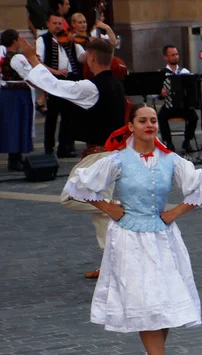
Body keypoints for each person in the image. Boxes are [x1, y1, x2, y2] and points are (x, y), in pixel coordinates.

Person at [62, 103, 202, 355]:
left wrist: (175, 213)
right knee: (146, 302)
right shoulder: (118, 159)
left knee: (165, 301)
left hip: (163, 238)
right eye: (143, 120)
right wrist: (110, 208)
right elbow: (80, 186)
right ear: (131, 127)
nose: (149, 125)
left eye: (154, 120)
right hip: (129, 238)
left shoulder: (170, 160)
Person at [19, 37, 125, 279]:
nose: (85, 60)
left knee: (71, 197)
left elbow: (56, 87)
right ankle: (112, 264)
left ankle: (119, 207)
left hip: (100, 155)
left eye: (86, 56)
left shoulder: (92, 87)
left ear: (93, 58)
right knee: (100, 214)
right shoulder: (116, 85)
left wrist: (33, 59)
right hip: (109, 154)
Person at [36, 11, 86, 157]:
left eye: (60, 23)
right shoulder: (42, 40)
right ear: (48, 24)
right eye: (55, 23)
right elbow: (38, 61)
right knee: (52, 116)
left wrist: (90, 44)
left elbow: (82, 58)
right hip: (54, 81)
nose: (58, 26)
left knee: (68, 115)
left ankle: (64, 147)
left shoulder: (70, 39)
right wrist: (55, 71)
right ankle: (48, 149)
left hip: (71, 80)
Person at [158, 45, 202, 153]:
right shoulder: (162, 73)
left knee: (194, 117)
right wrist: (160, 93)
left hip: (184, 106)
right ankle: (168, 142)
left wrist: (200, 90)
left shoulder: (184, 72)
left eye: (176, 54)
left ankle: (187, 141)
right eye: (172, 55)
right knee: (161, 117)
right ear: (166, 57)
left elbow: (194, 87)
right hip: (169, 106)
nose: (175, 57)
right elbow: (154, 94)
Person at [0, 30, 34, 172]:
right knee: (18, 124)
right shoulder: (17, 57)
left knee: (12, 124)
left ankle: (15, 157)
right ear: (15, 41)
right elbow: (29, 73)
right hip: (18, 94)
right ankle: (14, 159)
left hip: (7, 93)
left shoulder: (3, 55)